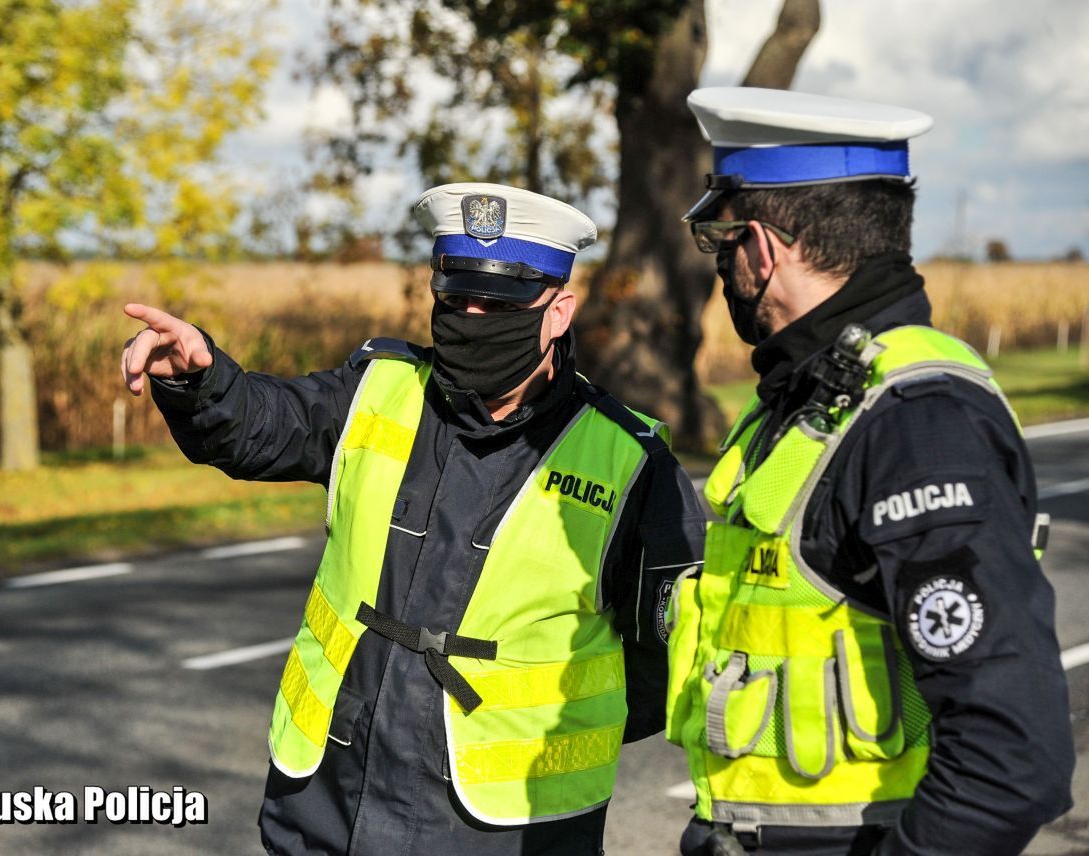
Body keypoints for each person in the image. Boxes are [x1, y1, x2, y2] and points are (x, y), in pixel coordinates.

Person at [120, 182, 706, 855]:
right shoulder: (378, 389)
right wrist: (201, 381)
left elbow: (665, 662)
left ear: (558, 312)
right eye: (455, 300)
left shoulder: (631, 460)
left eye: (501, 306)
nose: (473, 318)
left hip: (508, 830)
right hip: (328, 806)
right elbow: (262, 424)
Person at [665, 87, 1074, 856]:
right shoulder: (813, 392)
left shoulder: (916, 423)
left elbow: (1012, 756)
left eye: (721, 242)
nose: (722, 265)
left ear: (761, 246)